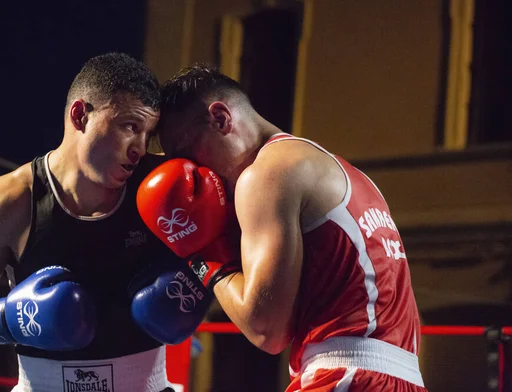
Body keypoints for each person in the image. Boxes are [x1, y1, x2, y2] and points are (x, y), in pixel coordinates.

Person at [138, 65, 427, 391]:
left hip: (343, 377)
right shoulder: (348, 174)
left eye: (187, 154)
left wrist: (201, 252)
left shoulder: (265, 175)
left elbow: (266, 330)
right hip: (402, 378)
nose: (192, 171)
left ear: (220, 119)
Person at [0, 52, 183, 392]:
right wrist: (9, 319)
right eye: (129, 126)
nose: (139, 147)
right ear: (80, 116)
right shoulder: (11, 201)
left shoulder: (160, 185)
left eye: (147, 133)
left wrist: (195, 281)